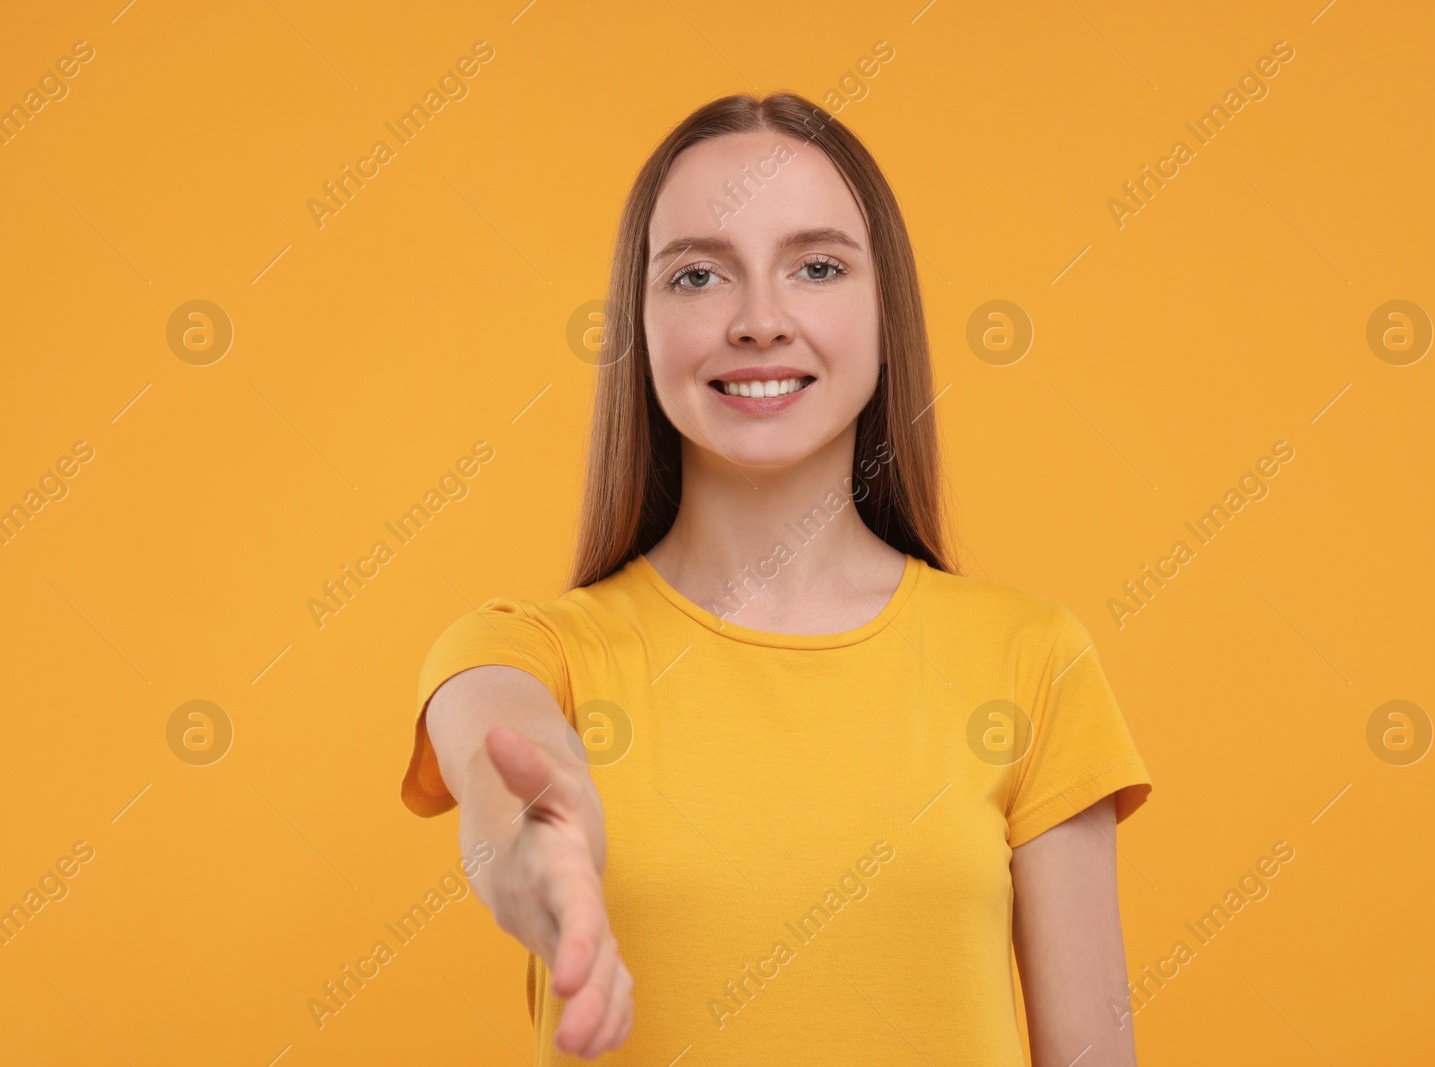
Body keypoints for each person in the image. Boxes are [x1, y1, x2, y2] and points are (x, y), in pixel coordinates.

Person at [400, 91, 1154, 1065]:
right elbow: (502, 772)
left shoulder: (1032, 656)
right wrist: (536, 858)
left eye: (817, 266)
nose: (759, 320)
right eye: (699, 275)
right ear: (639, 323)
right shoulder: (525, 649)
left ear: (888, 313)